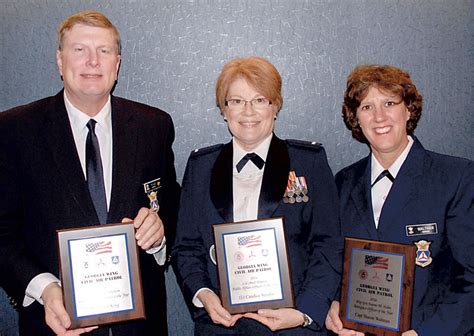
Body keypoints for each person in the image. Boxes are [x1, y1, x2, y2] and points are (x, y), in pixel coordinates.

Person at [0, 10, 180, 336]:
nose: (93, 61)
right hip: (55, 323)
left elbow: (171, 204)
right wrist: (43, 288)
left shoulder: (153, 126)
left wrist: (160, 231)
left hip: (141, 327)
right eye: (80, 49)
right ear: (59, 60)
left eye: (104, 51)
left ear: (117, 63)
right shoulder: (13, 131)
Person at [172, 56, 342, 335]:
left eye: (260, 100)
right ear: (224, 111)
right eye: (236, 101)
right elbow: (186, 247)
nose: (248, 111)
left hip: (291, 328)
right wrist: (203, 294)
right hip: (220, 328)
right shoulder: (201, 167)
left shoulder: (308, 162)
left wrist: (303, 313)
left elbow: (328, 246)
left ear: (275, 106)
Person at [325, 65, 473, 336]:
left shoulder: (455, 178)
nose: (379, 117)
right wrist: (334, 304)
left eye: (389, 103)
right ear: (356, 118)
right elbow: (336, 262)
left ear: (408, 110)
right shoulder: (343, 182)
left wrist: (428, 334)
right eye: (367, 107)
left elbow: (471, 276)